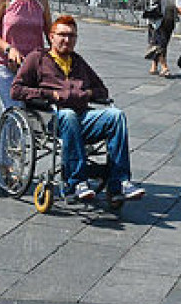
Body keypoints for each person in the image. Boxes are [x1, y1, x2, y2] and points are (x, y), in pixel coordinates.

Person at [11, 16, 146, 205]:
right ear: (51, 37)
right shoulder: (38, 58)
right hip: (51, 118)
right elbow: (16, 90)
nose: (67, 40)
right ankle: (77, 182)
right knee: (68, 114)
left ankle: (120, 183)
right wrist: (49, 94)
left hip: (82, 116)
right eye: (62, 35)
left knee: (116, 115)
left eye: (72, 36)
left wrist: (86, 93)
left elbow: (102, 90)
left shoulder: (78, 62)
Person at [145, 0, 177, 78]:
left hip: (169, 20)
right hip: (157, 22)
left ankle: (154, 66)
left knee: (163, 45)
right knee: (159, 45)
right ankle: (164, 67)